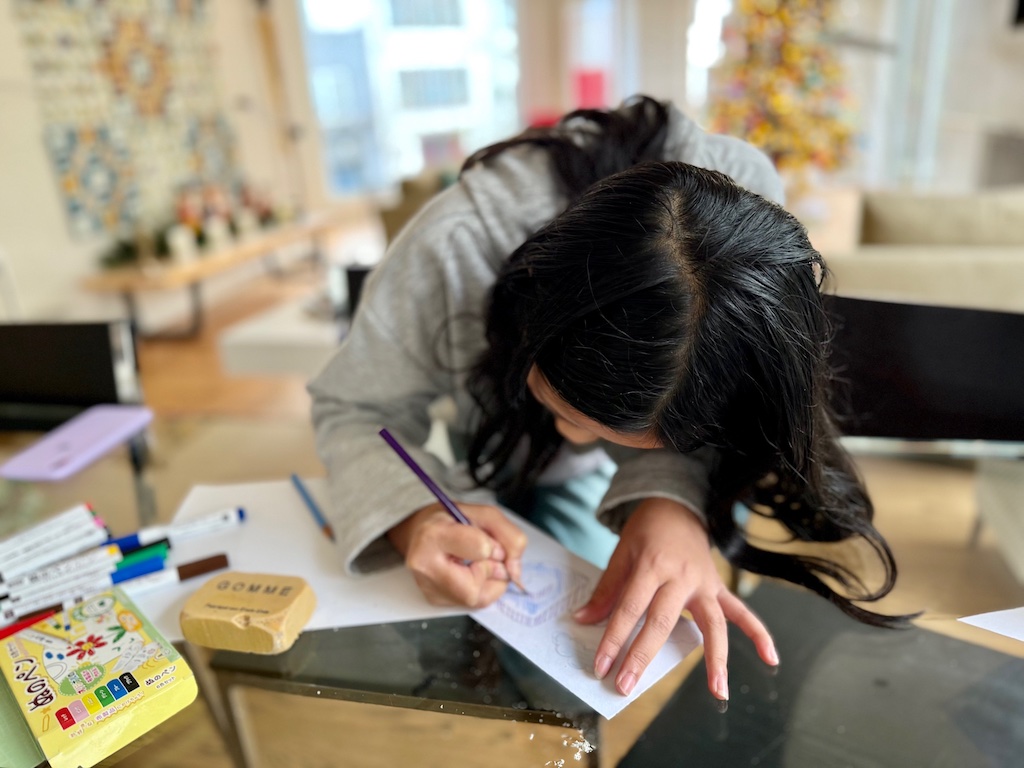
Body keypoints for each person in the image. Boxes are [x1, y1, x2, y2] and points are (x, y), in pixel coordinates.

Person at [308, 95, 908, 706]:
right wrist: (415, 519)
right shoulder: (455, 244)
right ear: (528, 309)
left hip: (683, 461)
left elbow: (730, 417)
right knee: (547, 658)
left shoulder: (748, 218)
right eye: (566, 411)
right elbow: (354, 408)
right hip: (503, 444)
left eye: (622, 433)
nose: (576, 439)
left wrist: (673, 498)